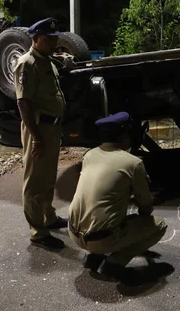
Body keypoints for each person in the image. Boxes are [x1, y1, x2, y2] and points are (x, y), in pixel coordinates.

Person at [68, 111, 168, 282]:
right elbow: (145, 209)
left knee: (100, 211)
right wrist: (141, 193)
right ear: (124, 135)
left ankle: (94, 255)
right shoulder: (133, 163)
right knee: (159, 225)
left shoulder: (90, 154)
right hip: (102, 238)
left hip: (74, 234)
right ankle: (114, 262)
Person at [14, 17, 68, 251]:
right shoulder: (27, 63)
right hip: (37, 128)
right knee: (34, 179)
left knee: (47, 176)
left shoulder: (48, 62)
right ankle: (37, 231)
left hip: (51, 127)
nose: (53, 43)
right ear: (35, 39)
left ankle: (49, 217)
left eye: (55, 39)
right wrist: (36, 137)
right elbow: (23, 103)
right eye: (48, 39)